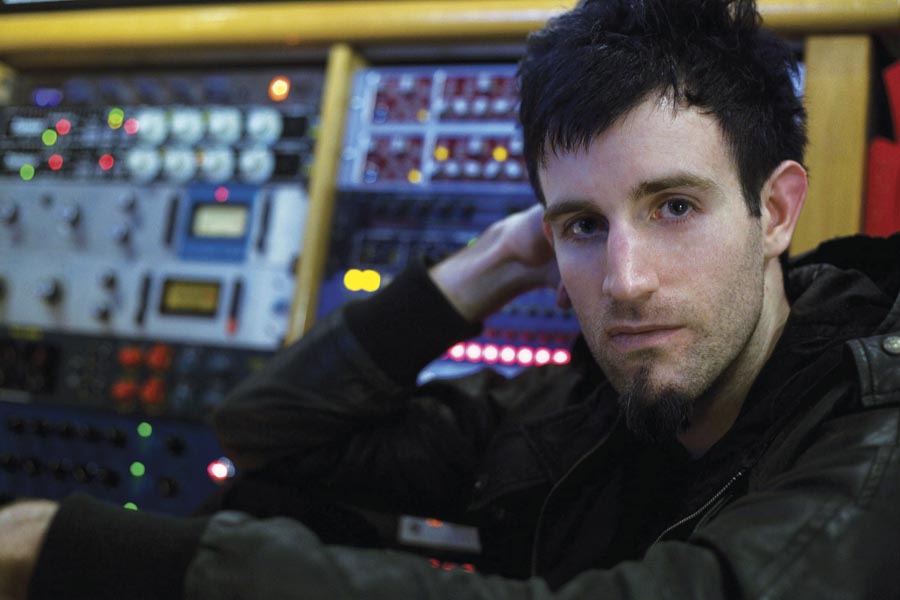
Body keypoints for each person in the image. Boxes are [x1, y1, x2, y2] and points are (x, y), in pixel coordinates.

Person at [3, 0, 900, 598]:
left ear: (775, 211)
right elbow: (264, 432)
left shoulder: (873, 429)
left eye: (673, 207)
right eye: (583, 225)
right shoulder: (581, 407)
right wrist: (494, 262)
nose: (625, 281)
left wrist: (106, 556)